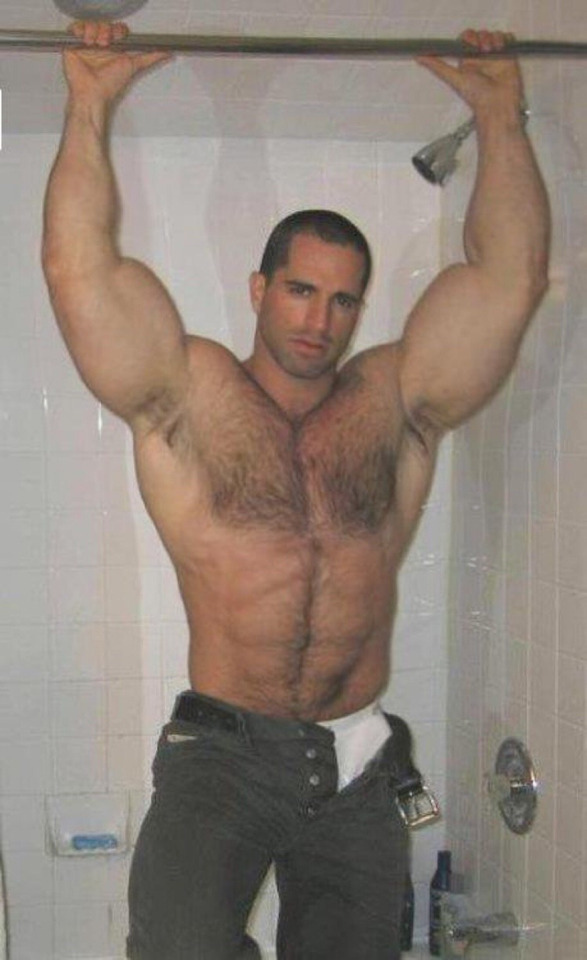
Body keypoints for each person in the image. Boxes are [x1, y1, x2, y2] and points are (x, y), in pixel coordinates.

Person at [41, 18, 550, 960]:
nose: (321, 318)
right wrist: (88, 104)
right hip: (222, 756)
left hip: (358, 760)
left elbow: (507, 280)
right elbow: (81, 269)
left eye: (343, 298)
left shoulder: (395, 399)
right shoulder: (188, 393)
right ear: (259, 288)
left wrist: (498, 118)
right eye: (300, 290)